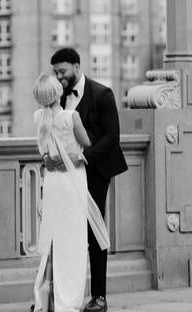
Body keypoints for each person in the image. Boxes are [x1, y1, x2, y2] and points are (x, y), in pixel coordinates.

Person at [48, 47, 128, 312]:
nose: (59, 77)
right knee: (64, 231)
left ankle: (99, 297)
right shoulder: (56, 97)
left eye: (63, 71)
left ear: (77, 67)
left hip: (95, 171)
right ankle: (60, 296)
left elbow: (112, 137)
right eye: (55, 72)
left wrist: (84, 158)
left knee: (94, 230)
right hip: (64, 174)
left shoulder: (102, 94)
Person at [30, 73, 109, 312]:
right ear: (57, 92)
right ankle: (68, 299)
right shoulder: (71, 116)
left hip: (52, 182)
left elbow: (42, 150)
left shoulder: (38, 118)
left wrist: (47, 158)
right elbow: (86, 142)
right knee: (73, 241)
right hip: (73, 180)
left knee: (53, 239)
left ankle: (47, 298)